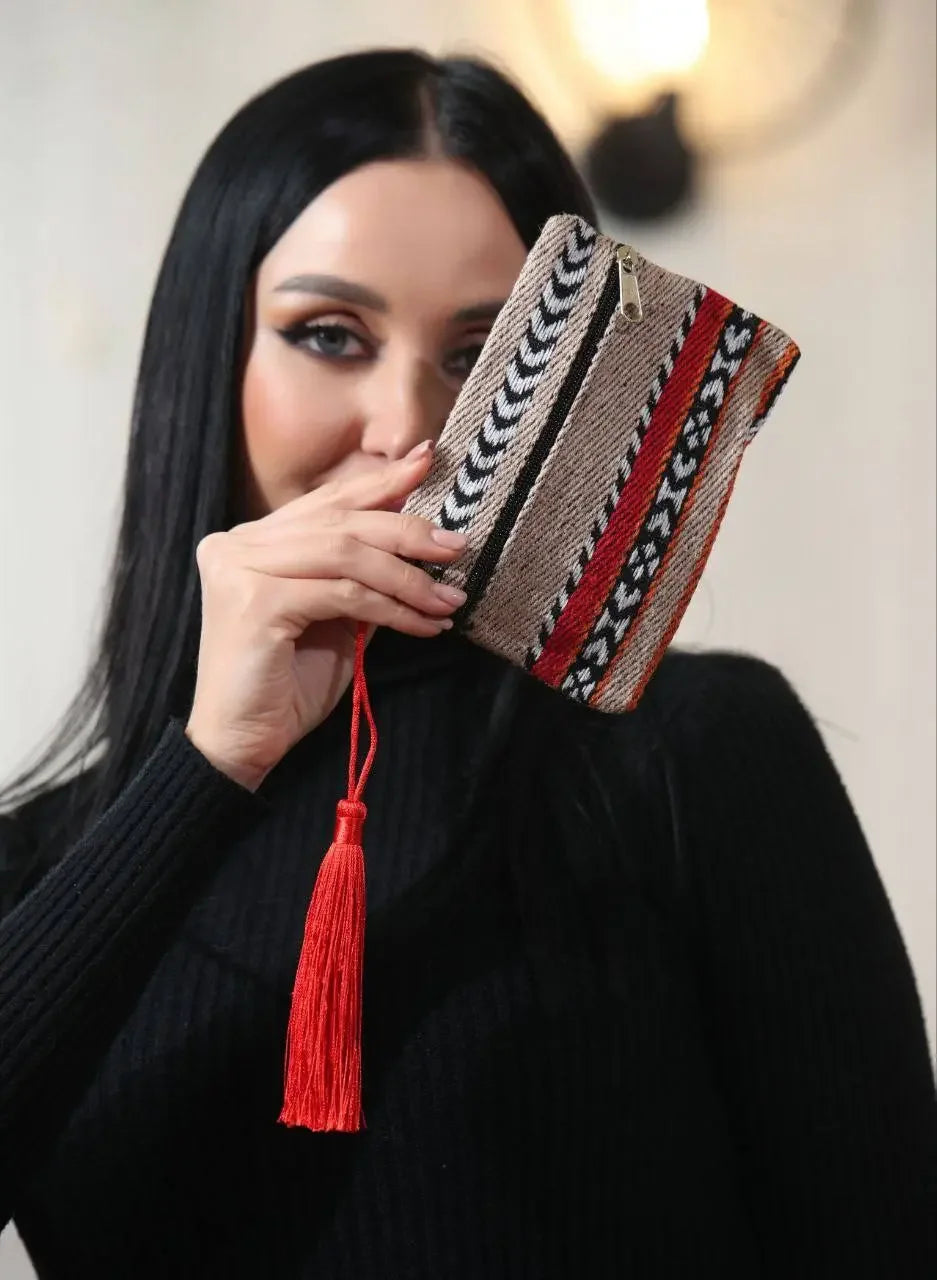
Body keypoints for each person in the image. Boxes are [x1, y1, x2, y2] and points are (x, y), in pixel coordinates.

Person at [0, 46, 934, 1280]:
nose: (406, 431)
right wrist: (204, 767)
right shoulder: (44, 862)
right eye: (329, 335)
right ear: (208, 362)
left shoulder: (694, 755)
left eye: (479, 353)